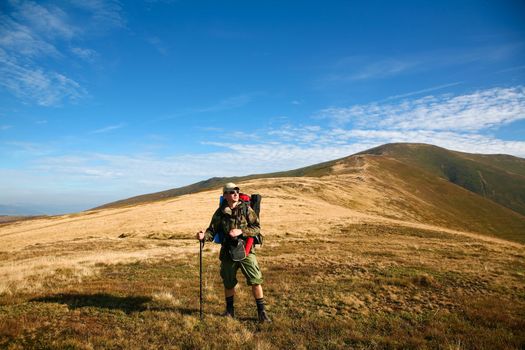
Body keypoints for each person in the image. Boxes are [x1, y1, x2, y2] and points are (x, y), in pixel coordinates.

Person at [196, 182, 271, 323]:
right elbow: (212, 231)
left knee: (255, 280)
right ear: (225, 195)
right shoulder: (220, 212)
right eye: (231, 191)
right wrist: (203, 236)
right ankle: (230, 311)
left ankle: (262, 313)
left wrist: (241, 231)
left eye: (236, 191)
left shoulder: (246, 209)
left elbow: (257, 228)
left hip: (246, 250)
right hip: (228, 251)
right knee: (228, 282)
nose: (235, 193)